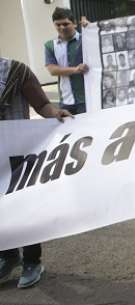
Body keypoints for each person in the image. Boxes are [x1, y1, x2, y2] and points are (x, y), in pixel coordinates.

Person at [0, 56, 71, 288]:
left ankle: (32, 261)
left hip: (17, 152)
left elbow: (41, 105)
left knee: (24, 206)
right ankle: (8, 256)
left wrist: (55, 113)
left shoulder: (15, 70)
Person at [44, 7, 88, 114]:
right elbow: (52, 70)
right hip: (66, 101)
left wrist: (90, 28)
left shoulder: (86, 39)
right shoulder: (50, 45)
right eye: (58, 25)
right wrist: (76, 69)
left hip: (87, 99)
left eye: (65, 24)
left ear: (74, 24)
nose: (62, 27)